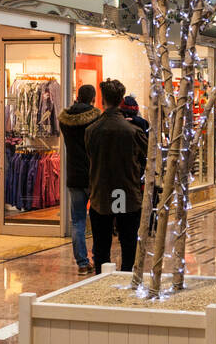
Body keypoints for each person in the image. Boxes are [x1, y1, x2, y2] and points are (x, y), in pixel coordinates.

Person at [84, 78, 149, 272]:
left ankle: (101, 281)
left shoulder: (91, 131)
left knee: (102, 245)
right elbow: (145, 159)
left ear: (102, 100)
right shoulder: (133, 132)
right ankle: (127, 279)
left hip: (101, 194)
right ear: (121, 100)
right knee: (129, 244)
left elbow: (90, 157)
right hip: (127, 193)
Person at [57, 84, 101, 275]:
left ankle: (82, 263)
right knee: (100, 219)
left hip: (74, 176)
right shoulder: (97, 119)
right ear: (93, 99)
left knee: (77, 221)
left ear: (77, 96)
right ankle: (99, 259)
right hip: (94, 175)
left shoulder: (65, 121)